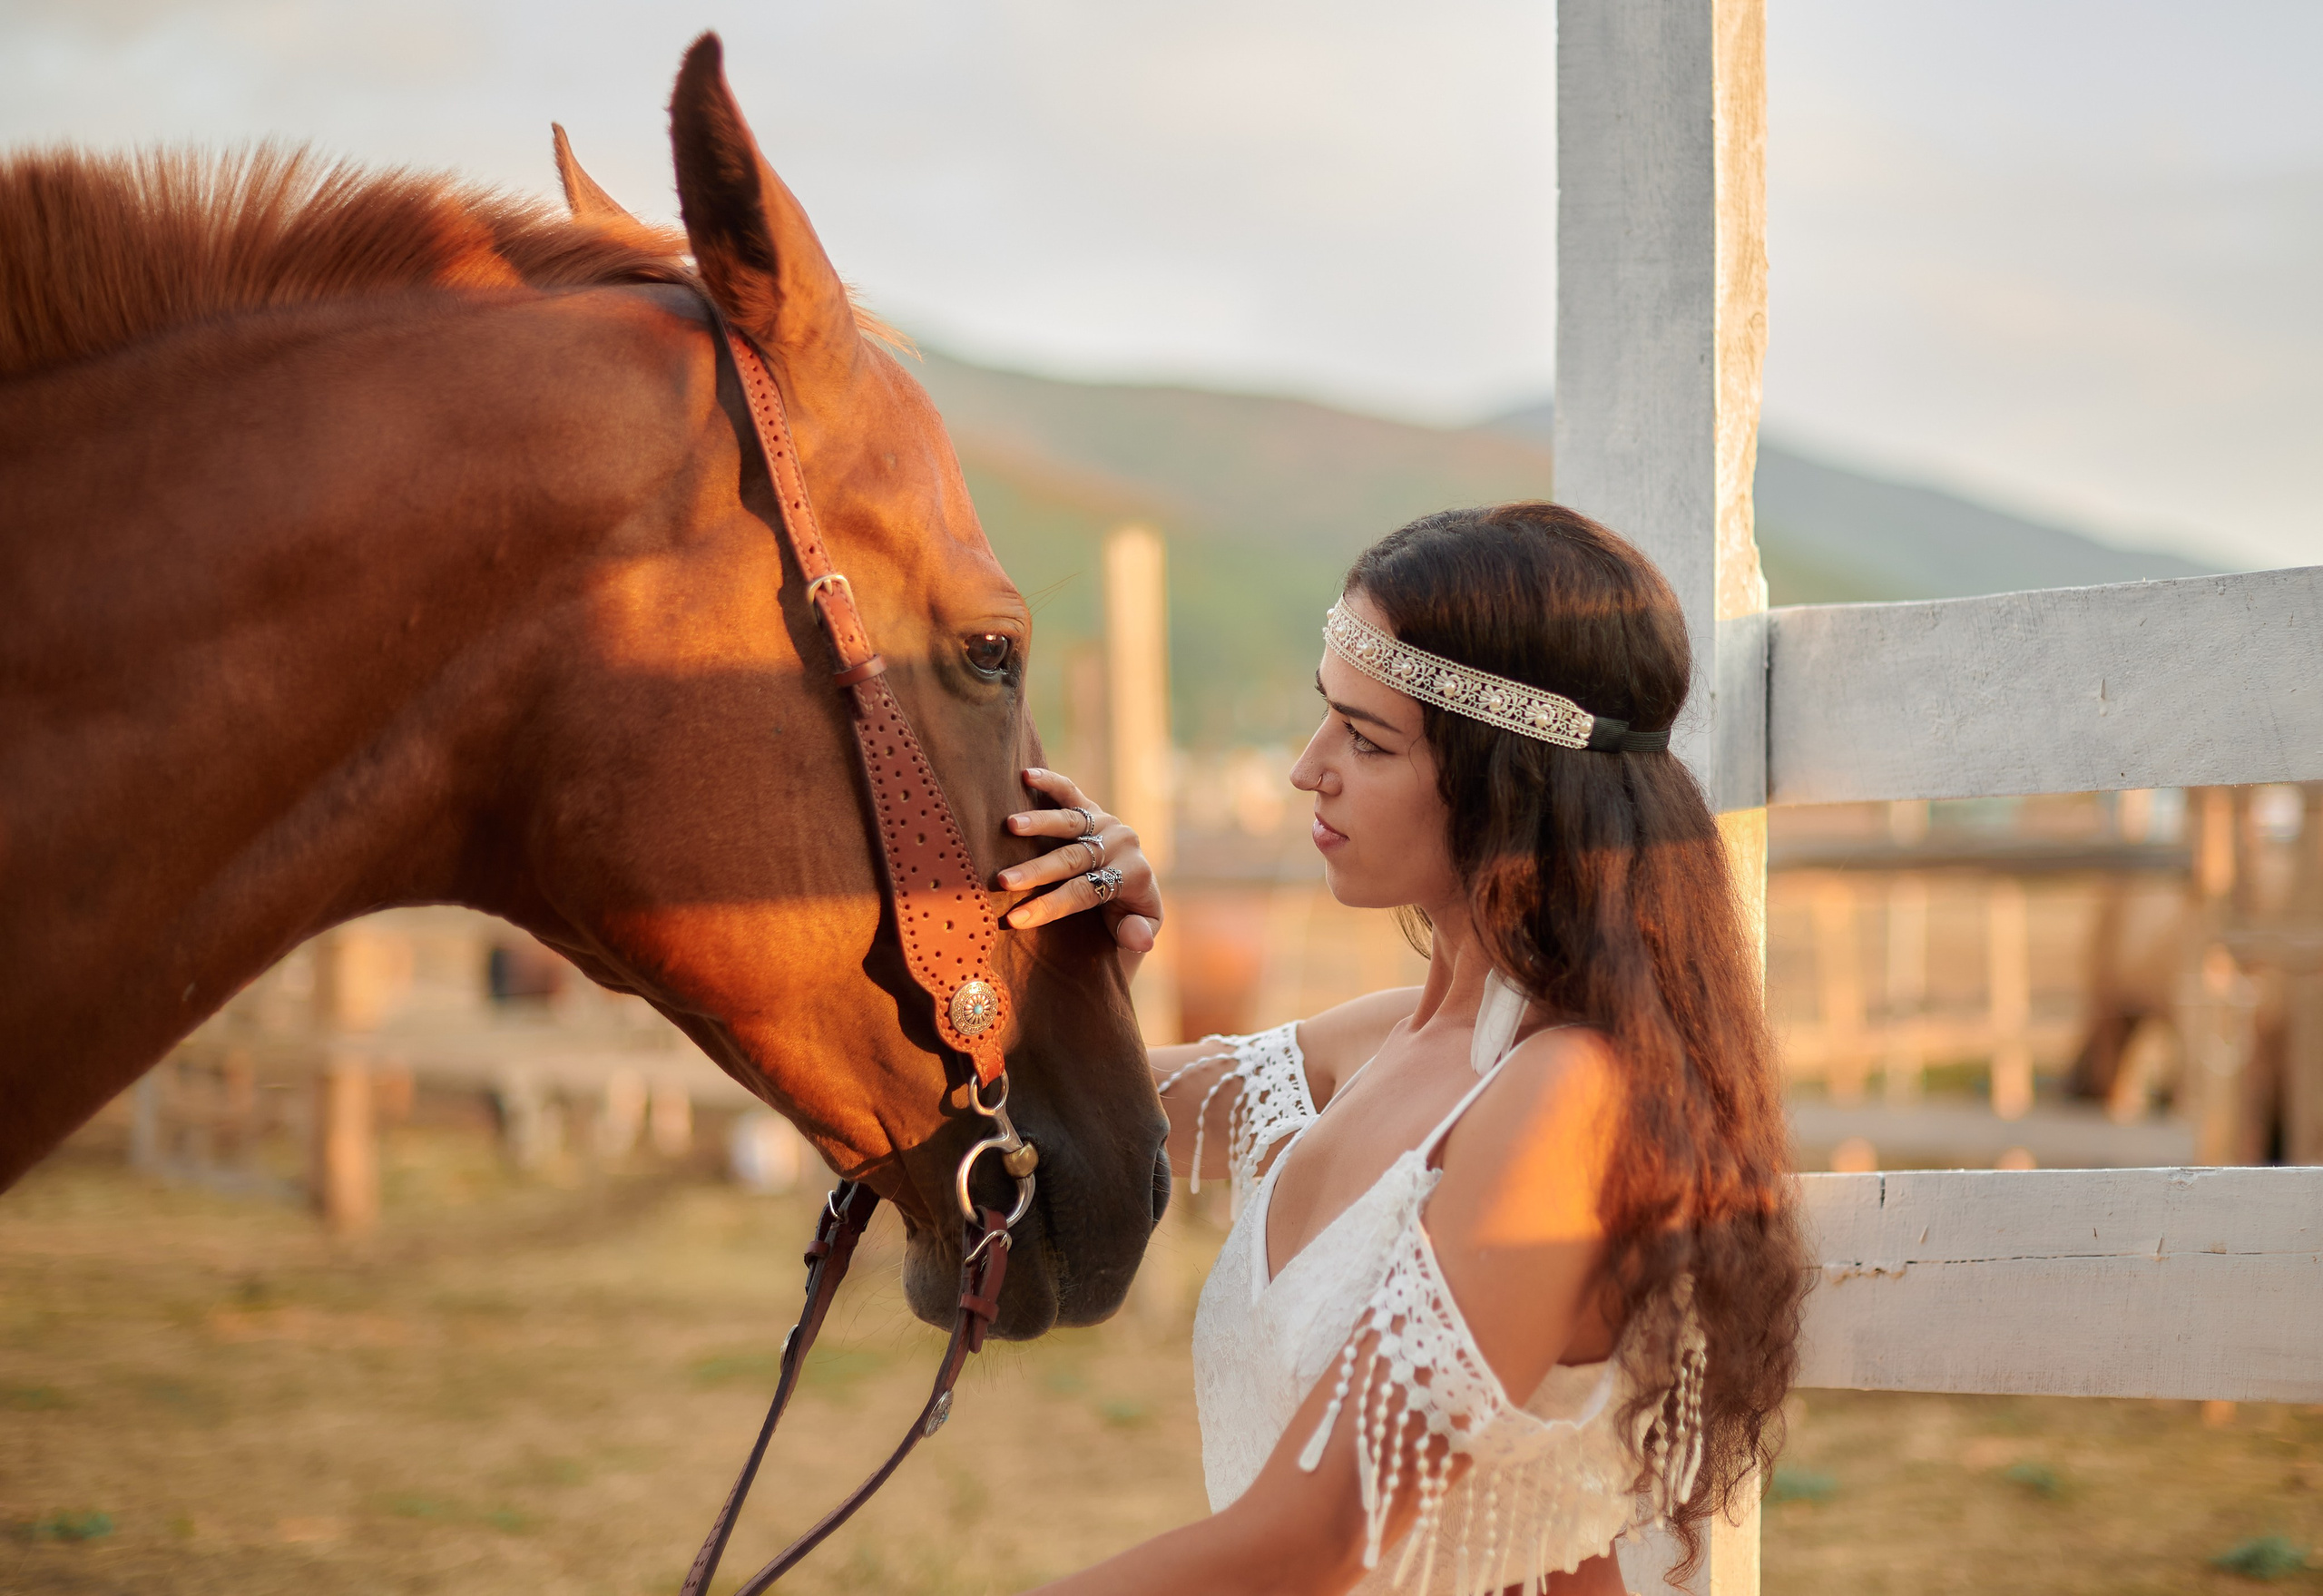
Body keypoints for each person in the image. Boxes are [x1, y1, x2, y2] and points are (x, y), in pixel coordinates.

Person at [995, 503, 1805, 1596]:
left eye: (1366, 740)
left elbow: (1318, 1540)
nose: (1306, 768)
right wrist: (1080, 954)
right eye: (1325, 718)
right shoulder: (1376, 1043)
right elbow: (1014, 1113)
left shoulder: (1567, 1096)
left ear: (1506, 783)